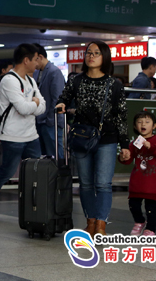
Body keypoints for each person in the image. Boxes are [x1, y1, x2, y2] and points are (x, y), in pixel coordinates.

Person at [56, 41, 130, 238]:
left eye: (96, 53)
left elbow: (121, 116)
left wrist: (125, 145)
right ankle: (90, 223)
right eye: (89, 52)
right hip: (82, 137)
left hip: (107, 138)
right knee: (86, 183)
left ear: (104, 57)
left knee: (103, 183)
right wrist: (62, 103)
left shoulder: (114, 84)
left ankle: (101, 225)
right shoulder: (76, 81)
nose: (91, 56)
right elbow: (63, 97)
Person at [0, 43, 45, 221]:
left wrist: (34, 105)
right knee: (6, 172)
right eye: (35, 59)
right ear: (26, 60)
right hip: (12, 136)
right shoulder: (9, 80)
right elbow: (23, 107)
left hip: (32, 135)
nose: (37, 63)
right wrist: (34, 104)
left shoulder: (31, 80)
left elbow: (43, 106)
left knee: (36, 173)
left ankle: (34, 208)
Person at [119, 111, 156, 236]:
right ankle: (139, 222)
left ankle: (150, 229)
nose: (143, 124)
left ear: (154, 126)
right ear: (135, 127)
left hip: (154, 182)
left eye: (147, 122)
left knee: (151, 208)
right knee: (133, 205)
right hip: (138, 181)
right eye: (140, 122)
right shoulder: (135, 142)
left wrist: (150, 146)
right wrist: (123, 157)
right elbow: (128, 160)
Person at [33, 43, 66, 159]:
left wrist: (50, 121)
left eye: (33, 59)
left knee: (55, 154)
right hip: (40, 121)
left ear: (40, 57)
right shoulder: (37, 72)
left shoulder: (54, 72)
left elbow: (57, 99)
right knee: (43, 156)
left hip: (51, 122)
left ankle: (59, 176)